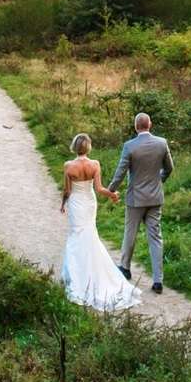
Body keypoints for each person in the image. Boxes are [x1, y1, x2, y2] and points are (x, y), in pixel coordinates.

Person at [58, 133, 140, 311]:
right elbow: (99, 188)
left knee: (76, 235)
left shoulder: (68, 166)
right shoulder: (94, 164)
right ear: (88, 147)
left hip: (76, 203)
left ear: (74, 147)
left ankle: (76, 277)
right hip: (89, 202)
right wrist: (111, 194)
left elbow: (67, 189)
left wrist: (63, 204)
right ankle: (93, 274)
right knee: (90, 235)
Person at [107, 111, 173, 293]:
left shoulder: (130, 146)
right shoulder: (162, 143)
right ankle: (158, 280)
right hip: (155, 198)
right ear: (149, 124)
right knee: (156, 237)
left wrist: (110, 189)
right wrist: (160, 179)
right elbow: (170, 168)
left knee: (130, 233)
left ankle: (125, 268)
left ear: (136, 126)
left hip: (135, 198)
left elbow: (121, 172)